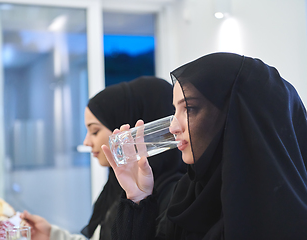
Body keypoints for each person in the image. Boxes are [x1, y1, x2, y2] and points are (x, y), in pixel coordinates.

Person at [102, 52, 307, 239]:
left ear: (235, 117)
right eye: (175, 111)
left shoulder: (284, 219)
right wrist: (137, 199)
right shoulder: (187, 197)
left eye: (189, 109)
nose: (173, 126)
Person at [20, 76, 187, 240]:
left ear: (127, 129)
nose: (86, 142)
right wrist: (52, 235)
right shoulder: (116, 190)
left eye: (95, 131)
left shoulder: (174, 199)